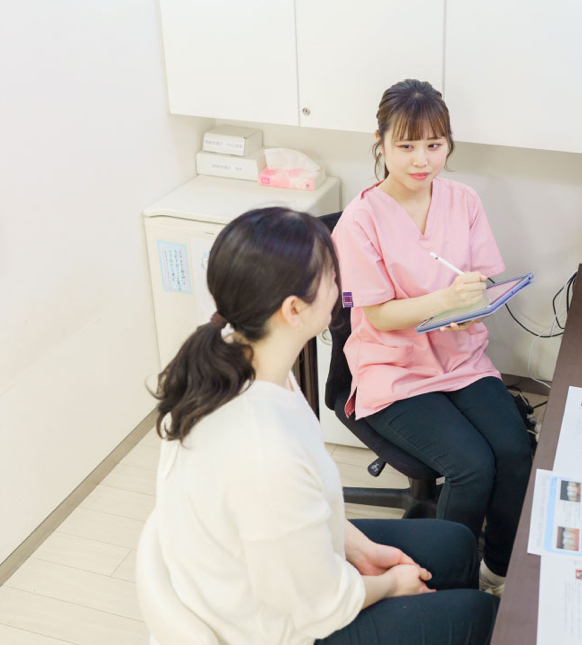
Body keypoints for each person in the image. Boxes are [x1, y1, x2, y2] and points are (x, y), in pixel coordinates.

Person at [152, 207, 498, 645]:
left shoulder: (242, 357)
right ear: (294, 310)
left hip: (284, 568)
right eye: (334, 277)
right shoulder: (262, 452)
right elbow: (321, 606)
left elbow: (310, 508)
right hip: (280, 630)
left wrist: (363, 551)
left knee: (457, 545)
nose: (342, 286)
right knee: (483, 614)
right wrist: (391, 584)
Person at [331, 79, 533, 595]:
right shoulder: (359, 222)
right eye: (406, 145)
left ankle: (497, 571)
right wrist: (446, 301)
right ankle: (446, 588)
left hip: (460, 358)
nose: (421, 160)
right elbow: (378, 315)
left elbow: (481, 277)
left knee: (515, 451)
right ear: (380, 143)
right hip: (394, 368)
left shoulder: (463, 200)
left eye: (434, 144)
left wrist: (472, 305)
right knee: (471, 466)